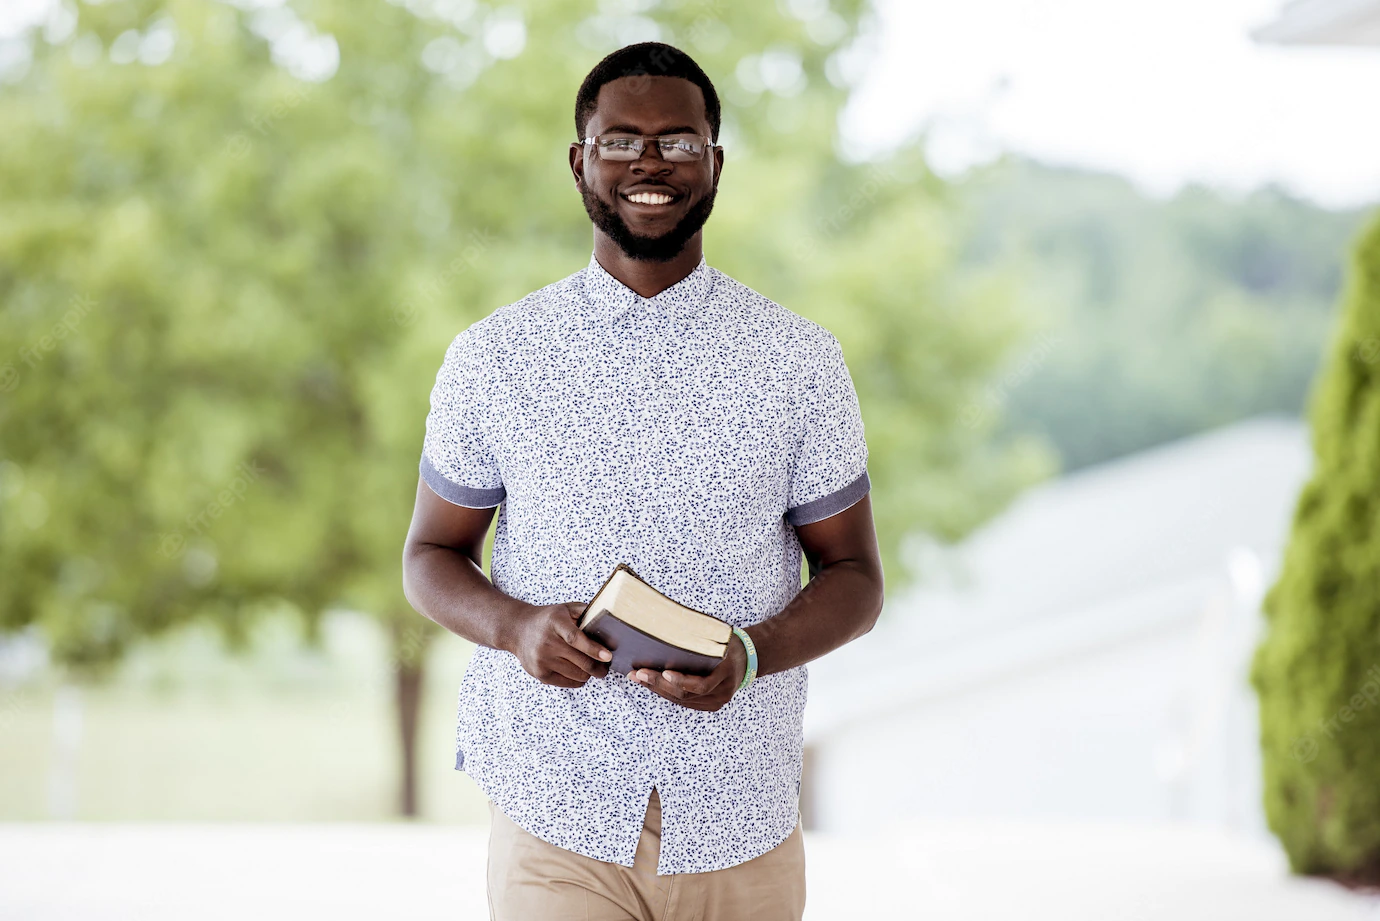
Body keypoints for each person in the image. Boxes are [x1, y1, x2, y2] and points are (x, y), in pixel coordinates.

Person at [401, 41, 884, 921]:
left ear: (716, 164)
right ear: (581, 162)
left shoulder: (800, 362)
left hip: (741, 817)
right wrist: (513, 626)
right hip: (557, 814)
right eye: (621, 140)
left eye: (679, 141)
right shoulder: (492, 360)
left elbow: (855, 580)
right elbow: (430, 554)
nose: (650, 162)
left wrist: (750, 652)